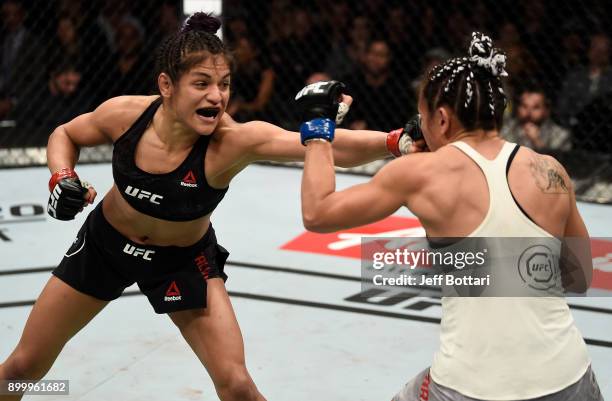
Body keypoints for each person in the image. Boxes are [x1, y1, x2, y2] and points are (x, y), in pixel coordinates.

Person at [0, 13, 411, 401]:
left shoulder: (232, 141)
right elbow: (65, 133)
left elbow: (323, 146)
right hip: (105, 247)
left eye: (225, 84)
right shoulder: (125, 115)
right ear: (167, 85)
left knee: (236, 386)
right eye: (201, 84)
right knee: (23, 366)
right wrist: (62, 175)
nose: (217, 97)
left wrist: (395, 142)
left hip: (181, 261)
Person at [298, 32, 603, 401]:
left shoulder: (421, 174)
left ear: (441, 119)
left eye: (422, 118)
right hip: (569, 379)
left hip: (471, 388)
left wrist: (317, 128)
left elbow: (317, 212)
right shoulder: (550, 169)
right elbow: (580, 277)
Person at [501, 86, 571, 151]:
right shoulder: (507, 128)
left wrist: (537, 141)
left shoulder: (561, 135)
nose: (528, 112)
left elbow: (556, 161)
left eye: (536, 107)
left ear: (546, 111)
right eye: (524, 106)